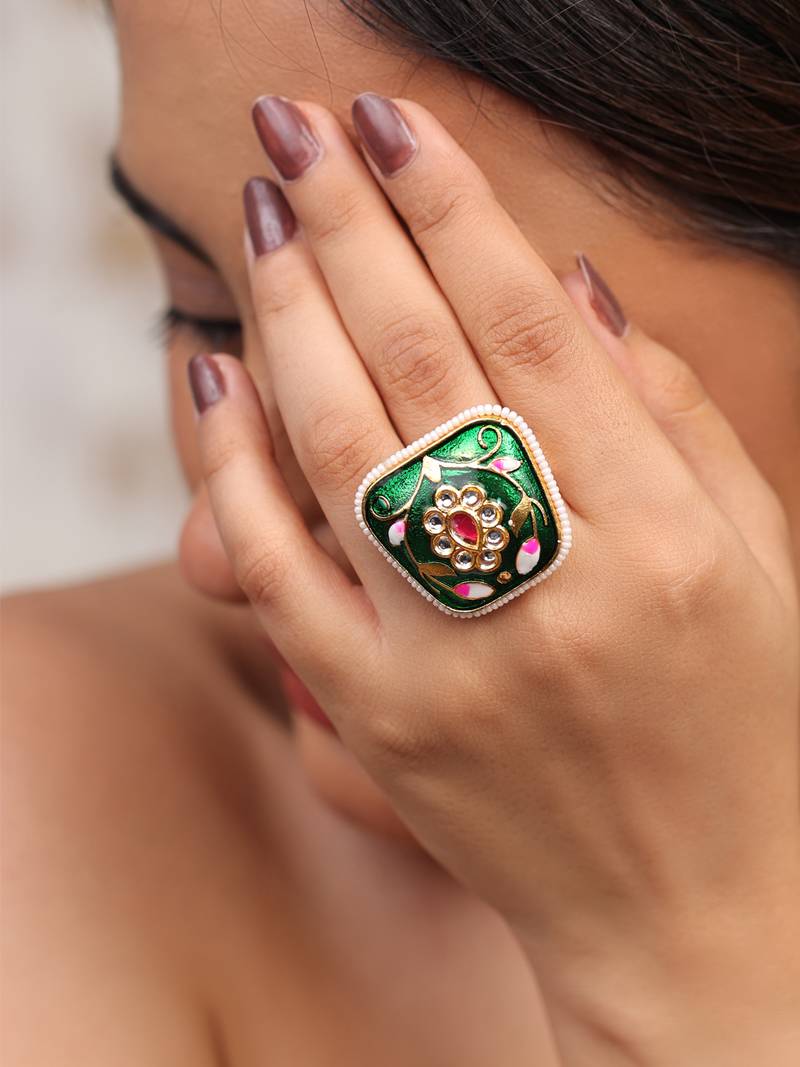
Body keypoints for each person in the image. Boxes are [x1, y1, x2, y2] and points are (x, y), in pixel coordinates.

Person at [4, 1, 799, 1063]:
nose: (223, 546)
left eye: (426, 345)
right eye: (199, 309)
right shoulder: (46, 796)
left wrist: (699, 959)